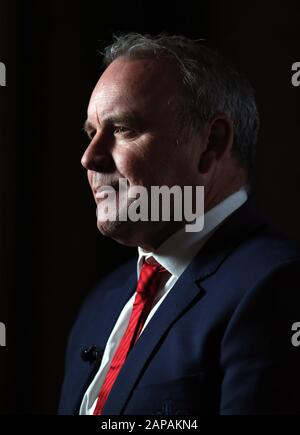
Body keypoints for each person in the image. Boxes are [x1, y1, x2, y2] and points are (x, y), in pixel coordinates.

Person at [58, 33, 300, 415]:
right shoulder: (102, 301)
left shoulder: (278, 287)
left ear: (211, 143)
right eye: (91, 133)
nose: (89, 158)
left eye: (122, 129)